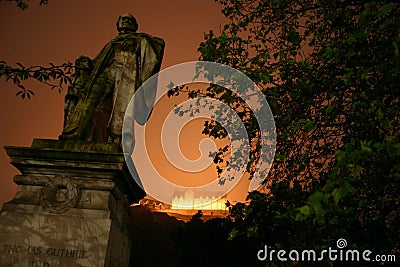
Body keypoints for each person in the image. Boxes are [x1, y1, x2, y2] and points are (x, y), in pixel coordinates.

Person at [61, 13, 165, 143]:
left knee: (121, 106)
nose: (126, 21)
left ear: (135, 25)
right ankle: (78, 131)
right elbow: (98, 63)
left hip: (127, 72)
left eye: (129, 19)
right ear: (118, 24)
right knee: (92, 97)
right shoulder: (112, 43)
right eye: (123, 19)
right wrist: (84, 62)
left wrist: (138, 44)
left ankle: (117, 137)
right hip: (109, 70)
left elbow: (157, 46)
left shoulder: (141, 39)